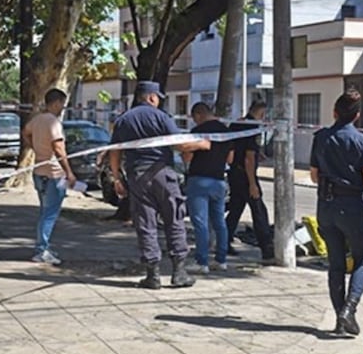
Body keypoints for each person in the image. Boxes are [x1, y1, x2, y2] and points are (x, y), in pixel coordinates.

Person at [109, 81, 211, 290]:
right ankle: (179, 272)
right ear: (152, 97)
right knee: (174, 218)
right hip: (162, 173)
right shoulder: (161, 117)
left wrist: (117, 178)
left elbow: (115, 151)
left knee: (146, 223)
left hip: (137, 176)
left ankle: (152, 275)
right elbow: (179, 144)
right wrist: (202, 143)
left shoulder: (123, 120)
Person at [309, 89, 363, 336]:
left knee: (335, 264)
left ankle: (340, 319)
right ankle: (349, 309)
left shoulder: (320, 138)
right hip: (353, 206)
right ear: (357, 116)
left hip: (326, 205)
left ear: (335, 113)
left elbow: (314, 176)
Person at [23, 88, 76, 265]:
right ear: (55, 103)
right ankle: (41, 250)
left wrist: (35, 148)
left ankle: (43, 246)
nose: (62, 108)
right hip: (54, 174)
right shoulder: (54, 122)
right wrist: (69, 172)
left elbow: (25, 132)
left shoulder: (37, 120)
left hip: (39, 172)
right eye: (62, 104)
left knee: (44, 211)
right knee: (50, 213)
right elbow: (59, 149)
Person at [183, 102, 234, 274]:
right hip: (219, 181)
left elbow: (188, 157)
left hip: (199, 180)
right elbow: (230, 159)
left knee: (200, 223)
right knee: (219, 222)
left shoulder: (198, 132)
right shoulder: (227, 132)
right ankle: (221, 260)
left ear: (198, 115)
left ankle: (202, 262)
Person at [225, 100, 274, 260]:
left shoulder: (236, 124)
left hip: (234, 173)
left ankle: (224, 242)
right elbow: (249, 158)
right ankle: (267, 248)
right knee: (259, 210)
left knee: (236, 208)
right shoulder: (253, 128)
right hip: (246, 174)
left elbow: (234, 151)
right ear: (262, 113)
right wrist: (252, 184)